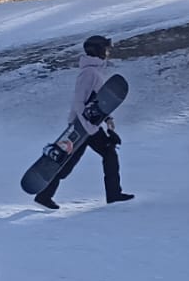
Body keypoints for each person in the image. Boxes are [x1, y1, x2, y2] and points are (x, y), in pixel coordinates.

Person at [35, 34, 130, 210]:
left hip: (87, 126)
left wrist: (107, 119)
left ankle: (44, 195)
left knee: (69, 161)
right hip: (82, 126)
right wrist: (88, 129)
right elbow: (79, 102)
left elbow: (98, 100)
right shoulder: (88, 73)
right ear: (98, 50)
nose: (108, 52)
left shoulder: (94, 71)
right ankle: (114, 194)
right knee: (107, 153)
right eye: (106, 48)